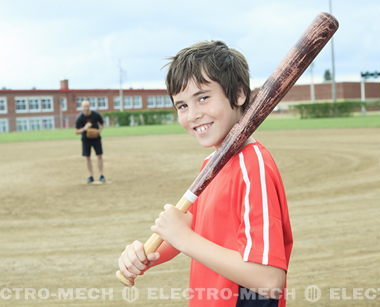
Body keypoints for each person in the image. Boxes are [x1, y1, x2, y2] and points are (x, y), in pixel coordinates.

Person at [118, 41, 293, 306]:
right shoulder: (212, 164)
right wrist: (145, 254)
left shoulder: (252, 166)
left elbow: (268, 280)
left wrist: (184, 238)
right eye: (182, 106)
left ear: (238, 94)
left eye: (203, 97)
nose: (193, 115)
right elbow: (189, 230)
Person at [75, 100, 106, 183]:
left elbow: (102, 124)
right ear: (82, 108)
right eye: (84, 106)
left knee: (99, 156)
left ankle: (101, 175)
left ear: (90, 106)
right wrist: (85, 128)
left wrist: (99, 131)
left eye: (87, 106)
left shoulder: (96, 115)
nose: (86, 108)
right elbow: (76, 131)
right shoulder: (80, 118)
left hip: (96, 139)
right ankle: (90, 176)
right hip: (86, 140)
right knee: (87, 157)